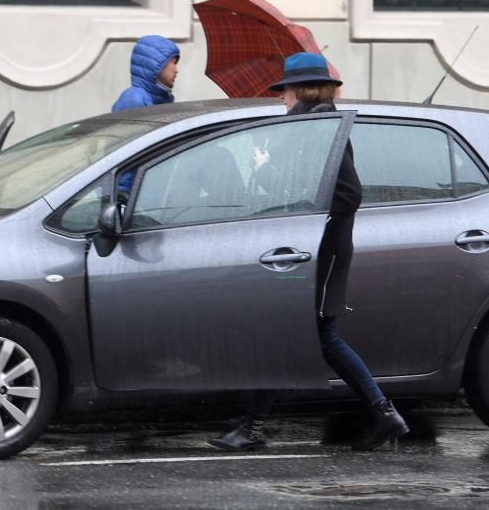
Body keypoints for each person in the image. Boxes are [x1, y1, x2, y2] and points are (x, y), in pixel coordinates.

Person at [208, 51, 409, 453]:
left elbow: (348, 195)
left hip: (322, 253)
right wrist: (266, 166)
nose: (281, 98)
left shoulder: (326, 129)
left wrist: (308, 215)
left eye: (284, 91)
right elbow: (295, 187)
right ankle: (380, 415)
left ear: (301, 91)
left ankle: (381, 414)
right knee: (293, 334)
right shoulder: (306, 128)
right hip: (307, 250)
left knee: (318, 336)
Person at [112, 35, 180, 196]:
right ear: (156, 64)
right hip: (127, 196)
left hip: (143, 194)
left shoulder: (160, 100)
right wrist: (121, 198)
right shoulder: (134, 100)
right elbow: (122, 156)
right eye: (173, 62)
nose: (176, 70)